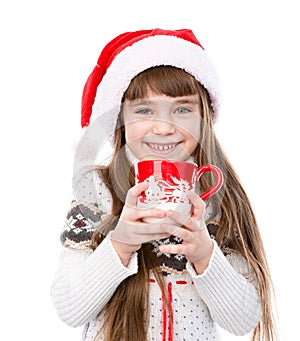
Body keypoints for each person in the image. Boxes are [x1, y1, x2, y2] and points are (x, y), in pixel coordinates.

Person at [51, 29, 277, 341]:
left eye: (182, 109)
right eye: (144, 110)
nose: (163, 127)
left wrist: (204, 254)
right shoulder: (97, 191)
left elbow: (242, 320)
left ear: (204, 119)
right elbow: (69, 308)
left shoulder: (217, 200)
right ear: (120, 119)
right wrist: (121, 242)